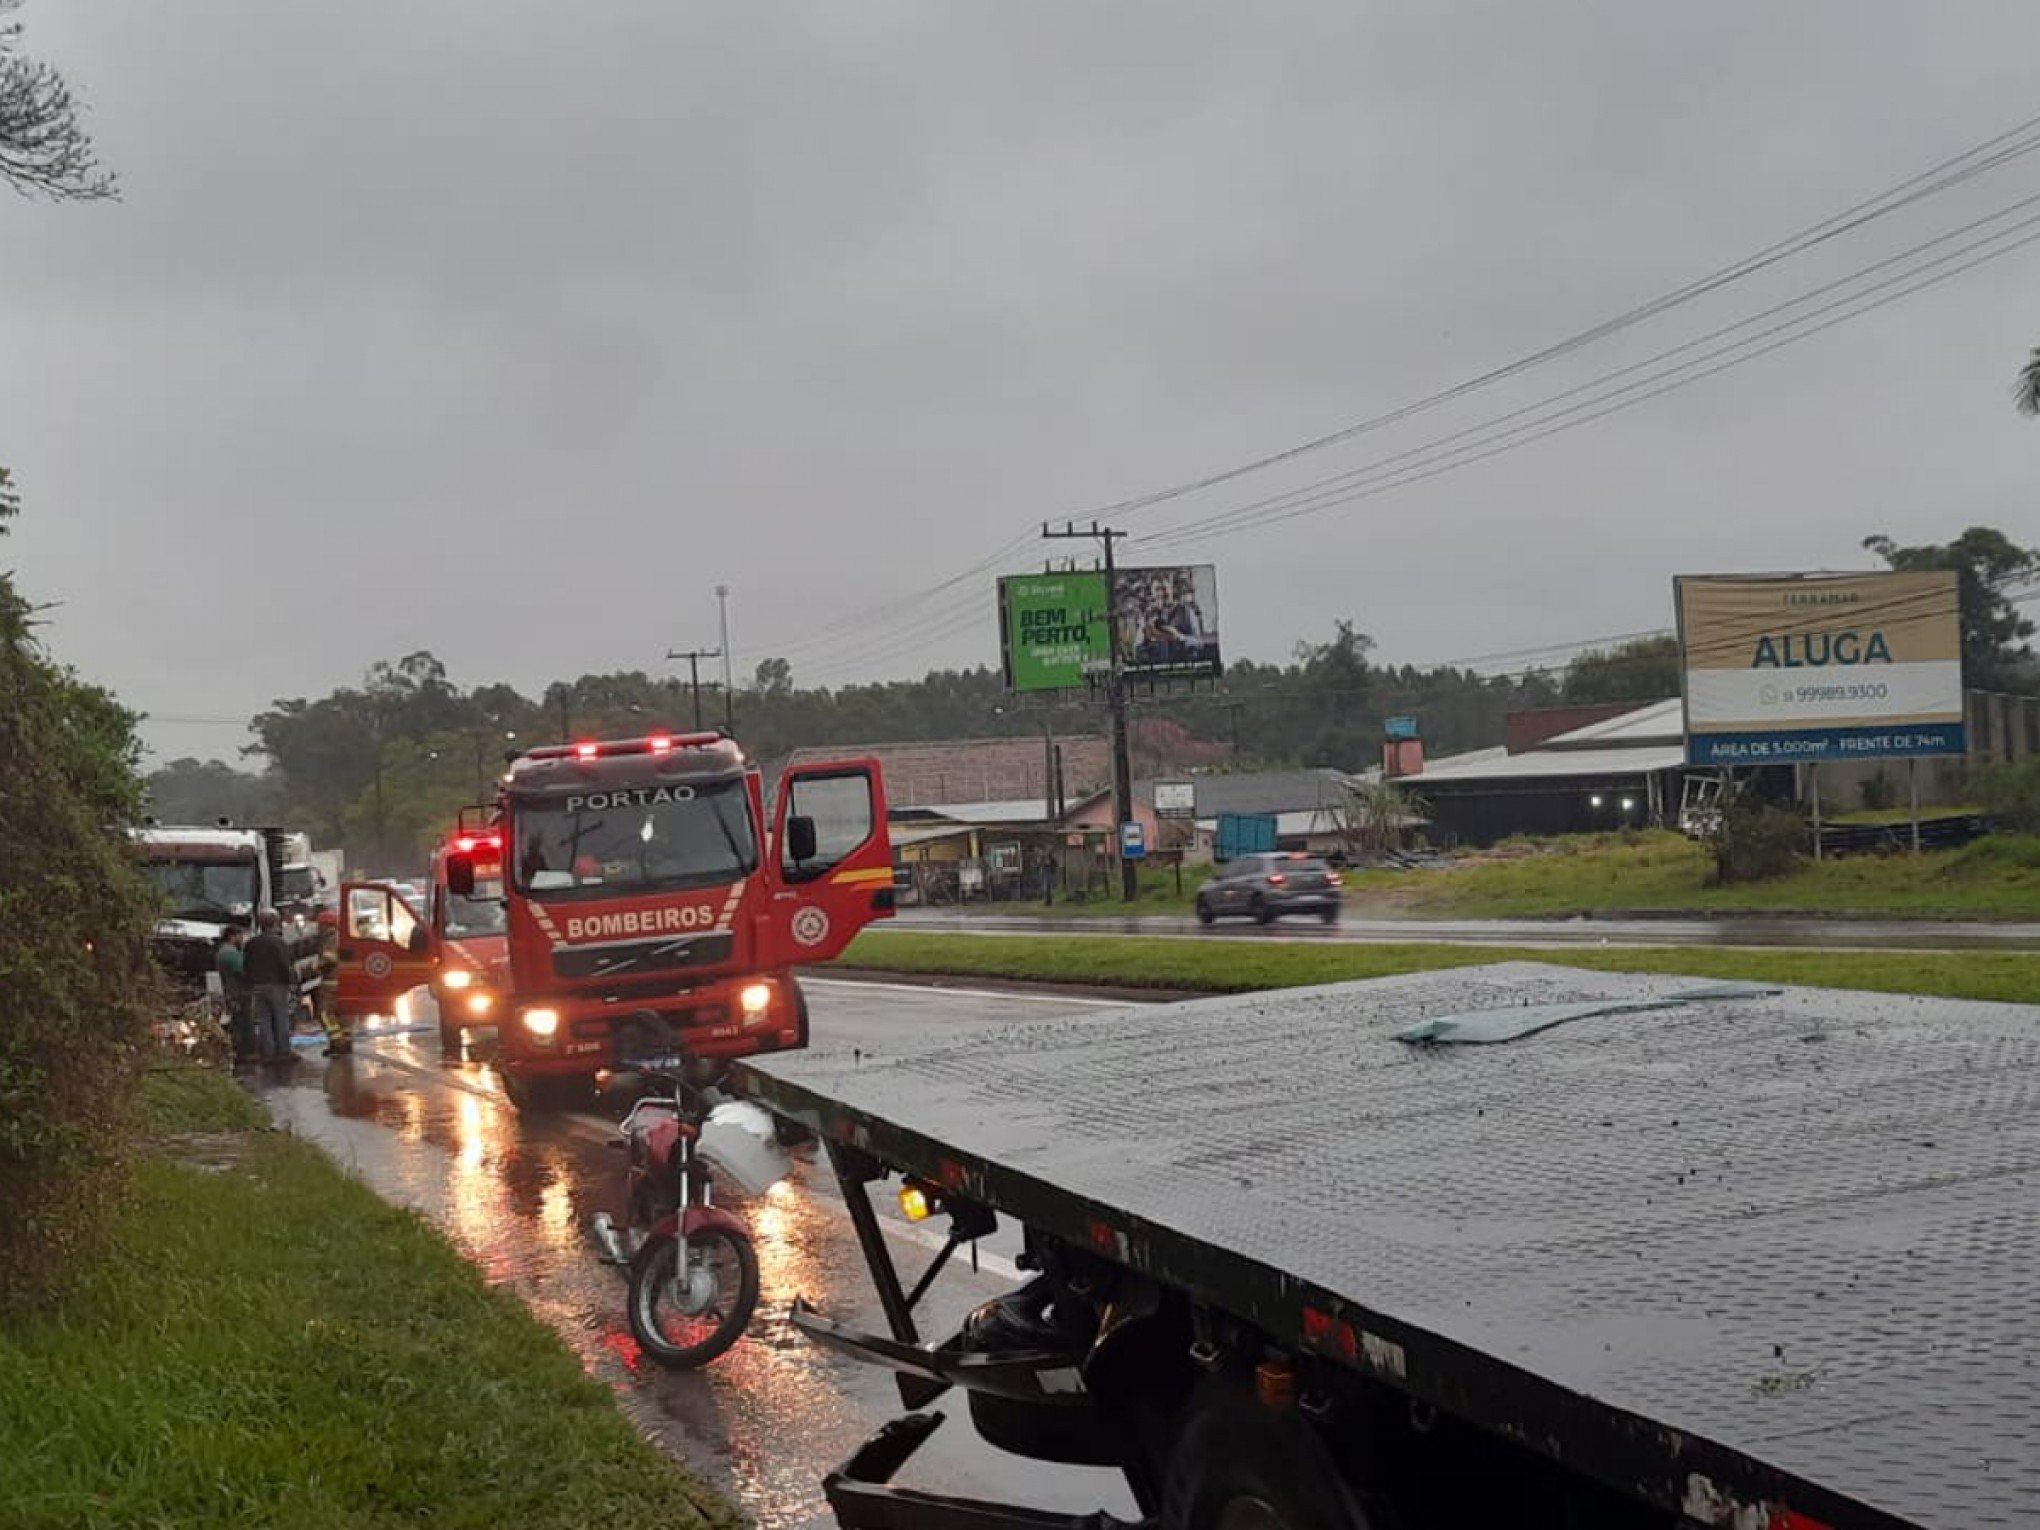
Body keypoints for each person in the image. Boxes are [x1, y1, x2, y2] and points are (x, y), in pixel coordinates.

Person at [242, 908, 298, 1064]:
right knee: (281, 1018)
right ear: (275, 923)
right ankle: (283, 1051)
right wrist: (292, 982)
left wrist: (250, 983)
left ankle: (268, 1052)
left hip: (257, 986)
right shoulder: (279, 943)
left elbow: (246, 965)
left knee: (264, 1020)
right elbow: (285, 965)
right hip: (277, 985)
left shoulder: (251, 943)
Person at [312, 906, 349, 1057]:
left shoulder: (331, 938)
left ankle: (337, 1044)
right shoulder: (339, 937)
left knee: (325, 1014)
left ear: (326, 925)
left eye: (320, 925)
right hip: (341, 981)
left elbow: (329, 958)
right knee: (341, 1015)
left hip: (331, 982)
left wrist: (315, 966)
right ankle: (344, 1043)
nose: (318, 928)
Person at [214, 927, 255, 1063]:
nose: (242, 939)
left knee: (237, 1022)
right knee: (243, 1022)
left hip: (231, 992)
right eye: (240, 936)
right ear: (232, 937)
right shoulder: (230, 954)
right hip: (239, 993)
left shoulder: (221, 952)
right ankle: (244, 1052)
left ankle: (238, 1051)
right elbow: (242, 971)